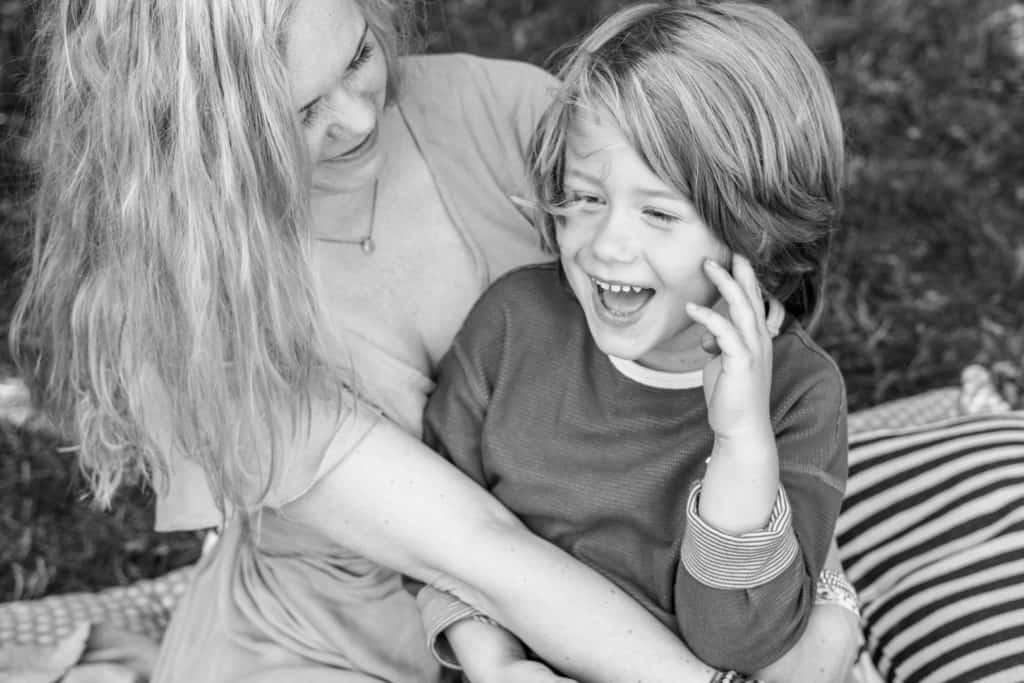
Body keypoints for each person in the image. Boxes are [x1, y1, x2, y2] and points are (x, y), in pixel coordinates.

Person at [9, 0, 859, 681]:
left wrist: (817, 599)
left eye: (356, 56)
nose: (358, 116)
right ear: (204, 132)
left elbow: (718, 360)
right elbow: (477, 549)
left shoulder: (505, 112)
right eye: (301, 112)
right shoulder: (192, 310)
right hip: (329, 644)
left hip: (593, 621)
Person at [417, 1, 850, 679]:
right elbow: (433, 529)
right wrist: (495, 664)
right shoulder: (511, 325)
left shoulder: (798, 396)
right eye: (587, 198)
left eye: (658, 212)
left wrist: (741, 441)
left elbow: (740, 642)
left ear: (756, 231)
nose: (608, 245)